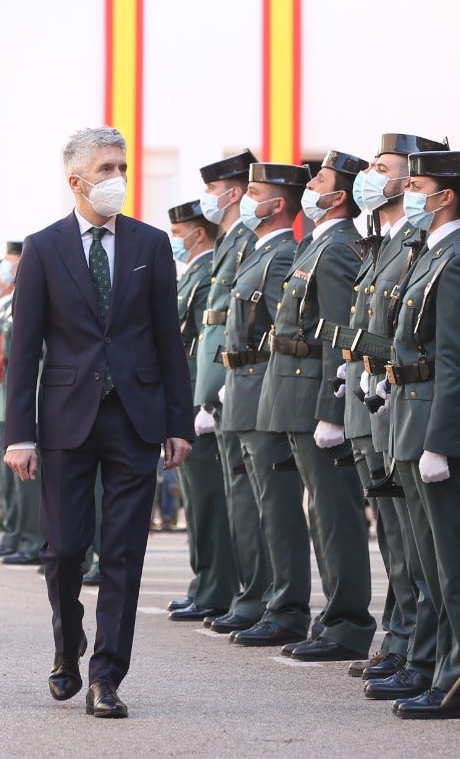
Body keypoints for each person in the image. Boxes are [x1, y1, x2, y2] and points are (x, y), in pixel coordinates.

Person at [2, 126, 193, 720]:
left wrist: (178, 423)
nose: (117, 179)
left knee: (123, 553)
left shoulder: (150, 244)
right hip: (64, 423)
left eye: (122, 167)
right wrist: (19, 434)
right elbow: (24, 347)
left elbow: (169, 341)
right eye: (106, 169)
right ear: (76, 181)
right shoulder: (43, 248)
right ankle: (68, 647)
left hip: (134, 420)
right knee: (62, 551)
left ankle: (107, 675)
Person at [382, 148, 460, 720]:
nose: (406, 193)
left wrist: (439, 440)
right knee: (432, 562)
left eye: (417, 185)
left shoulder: (459, 259)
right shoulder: (432, 254)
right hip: (414, 413)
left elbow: (458, 362)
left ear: (445, 196)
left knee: (458, 561)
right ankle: (440, 668)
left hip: (441, 424)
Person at [255, 150, 376, 662]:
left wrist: (332, 407)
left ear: (339, 195)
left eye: (319, 180)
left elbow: (338, 335)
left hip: (313, 394)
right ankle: (330, 619)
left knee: (333, 511)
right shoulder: (317, 245)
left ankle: (347, 623)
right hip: (292, 389)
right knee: (318, 509)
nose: (310, 186)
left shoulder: (340, 247)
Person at [342, 132, 444, 692]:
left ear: (410, 179)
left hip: (401, 397)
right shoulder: (385, 240)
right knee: (396, 535)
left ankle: (416, 644)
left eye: (383, 167)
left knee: (414, 535)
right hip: (376, 397)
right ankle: (402, 635)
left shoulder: (420, 241)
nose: (372, 175)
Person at [220, 162, 306, 649]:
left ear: (277, 205)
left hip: (264, 383)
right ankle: (260, 597)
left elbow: (286, 331)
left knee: (276, 506)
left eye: (254, 193)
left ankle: (288, 606)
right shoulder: (257, 252)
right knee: (251, 503)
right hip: (242, 384)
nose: (244, 200)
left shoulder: (282, 255)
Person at [189, 149, 263, 636]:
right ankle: (243, 594)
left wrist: (211, 391)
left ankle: (254, 595)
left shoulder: (246, 241)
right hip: (218, 383)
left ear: (232, 192)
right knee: (232, 498)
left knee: (245, 500)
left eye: (214, 190)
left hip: (236, 383)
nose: (208, 200)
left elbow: (233, 326)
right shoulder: (231, 241)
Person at [165, 199, 236, 622]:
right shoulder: (191, 273)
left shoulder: (209, 271)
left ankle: (217, 587)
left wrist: (206, 397)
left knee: (210, 497)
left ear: (198, 233)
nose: (176, 241)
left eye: (179, 234)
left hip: (198, 390)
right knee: (196, 497)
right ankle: (203, 583)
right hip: (184, 391)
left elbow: (210, 338)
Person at [0, 244, 46, 566]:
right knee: (6, 476)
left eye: (9, 264)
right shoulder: (2, 311)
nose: (3, 272)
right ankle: (15, 533)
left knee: (25, 476)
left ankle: (31, 537)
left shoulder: (23, 304)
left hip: (18, 398)